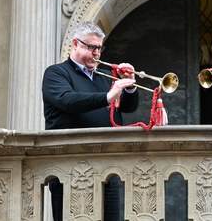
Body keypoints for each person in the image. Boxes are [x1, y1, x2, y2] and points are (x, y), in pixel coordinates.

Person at [42, 21, 140, 220]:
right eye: (92, 47)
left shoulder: (103, 78)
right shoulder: (56, 73)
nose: (97, 53)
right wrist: (108, 96)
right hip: (70, 168)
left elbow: (128, 108)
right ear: (75, 44)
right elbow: (67, 100)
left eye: (100, 48)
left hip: (108, 169)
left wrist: (130, 87)